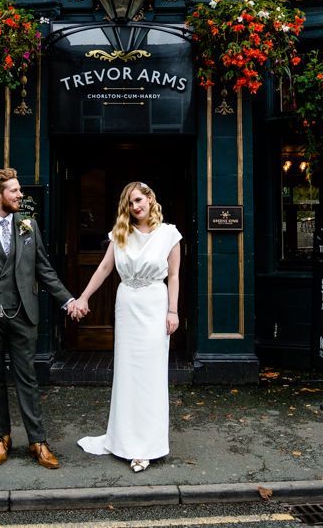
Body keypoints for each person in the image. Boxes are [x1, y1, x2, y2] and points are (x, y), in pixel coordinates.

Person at [0, 167, 75, 469]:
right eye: (15, 191)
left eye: (20, 190)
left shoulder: (28, 225)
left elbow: (44, 269)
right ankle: (1, 438)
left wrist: (68, 299)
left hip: (23, 313)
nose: (21, 195)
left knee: (27, 378)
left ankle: (38, 442)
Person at [71, 181, 181, 473]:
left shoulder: (169, 234)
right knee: (128, 373)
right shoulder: (121, 233)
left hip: (155, 305)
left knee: (151, 375)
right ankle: (124, 439)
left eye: (138, 200)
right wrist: (83, 296)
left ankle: (148, 446)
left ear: (150, 199)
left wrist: (173, 311)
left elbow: (174, 277)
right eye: (130, 203)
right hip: (128, 306)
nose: (135, 207)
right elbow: (105, 268)